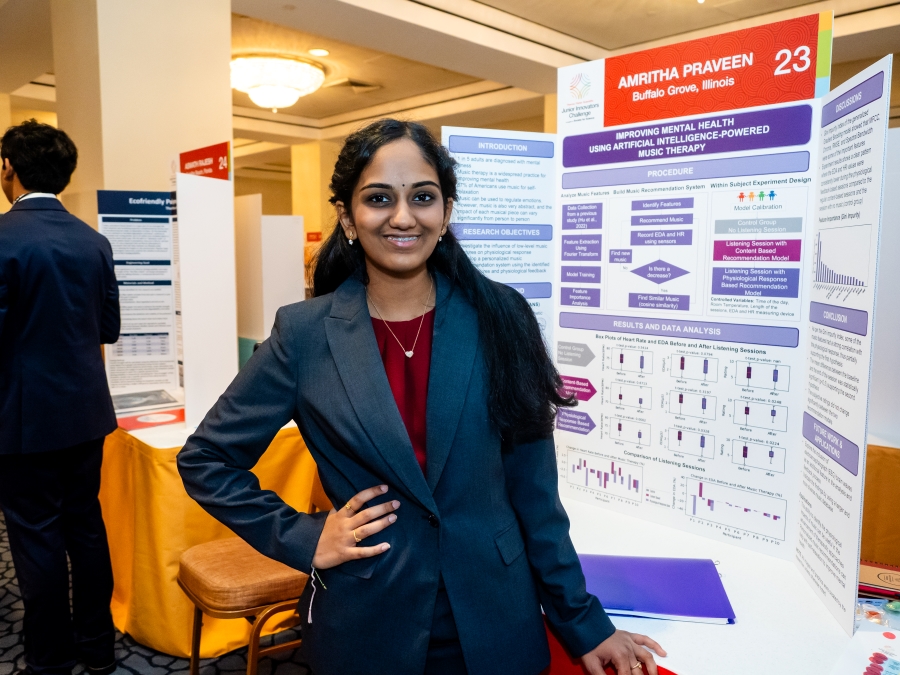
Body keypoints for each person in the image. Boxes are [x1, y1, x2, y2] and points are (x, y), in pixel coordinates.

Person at [177, 119, 666, 675]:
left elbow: (534, 494)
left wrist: (582, 620)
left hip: (496, 617)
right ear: (347, 218)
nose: (403, 217)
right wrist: (305, 537)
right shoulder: (305, 335)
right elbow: (206, 460)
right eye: (379, 198)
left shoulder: (501, 316)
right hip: (366, 620)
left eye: (423, 197)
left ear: (446, 212)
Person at [0, 121, 120, 675]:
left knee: (36, 538)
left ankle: (49, 660)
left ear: (9, 168)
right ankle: (98, 648)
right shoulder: (95, 241)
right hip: (86, 415)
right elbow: (108, 329)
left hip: (20, 419)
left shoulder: (4, 237)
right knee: (85, 527)